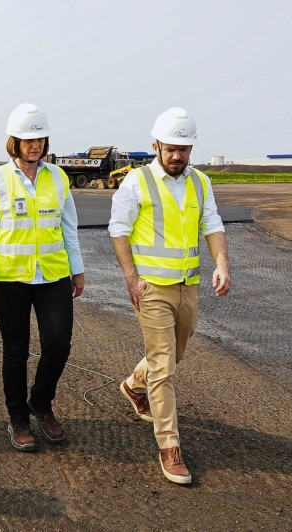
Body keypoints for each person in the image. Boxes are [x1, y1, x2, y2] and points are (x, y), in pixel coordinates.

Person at [109, 107, 231, 485]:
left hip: (188, 286)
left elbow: (211, 223)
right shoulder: (136, 182)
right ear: (156, 146)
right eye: (171, 148)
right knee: (164, 367)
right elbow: (118, 229)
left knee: (174, 354)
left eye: (185, 149)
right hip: (152, 289)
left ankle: (133, 384)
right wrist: (132, 279)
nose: (178, 155)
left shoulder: (200, 182)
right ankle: (169, 446)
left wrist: (221, 263)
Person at [0, 103, 85, 452]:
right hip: (10, 279)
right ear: (15, 142)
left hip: (52, 275)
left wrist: (77, 269)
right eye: (27, 139)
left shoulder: (58, 177)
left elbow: (69, 228)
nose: (35, 144)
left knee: (58, 345)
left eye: (39, 138)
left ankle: (41, 401)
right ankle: (18, 418)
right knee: (16, 351)